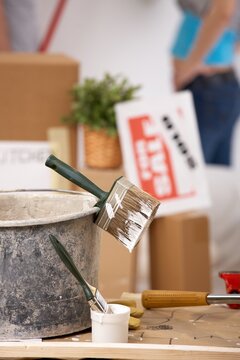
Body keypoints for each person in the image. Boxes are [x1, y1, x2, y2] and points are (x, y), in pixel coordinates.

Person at [171, 0, 240, 166]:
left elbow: (223, 14)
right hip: (215, 88)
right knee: (212, 174)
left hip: (209, 89)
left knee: (192, 173)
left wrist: (189, 67)